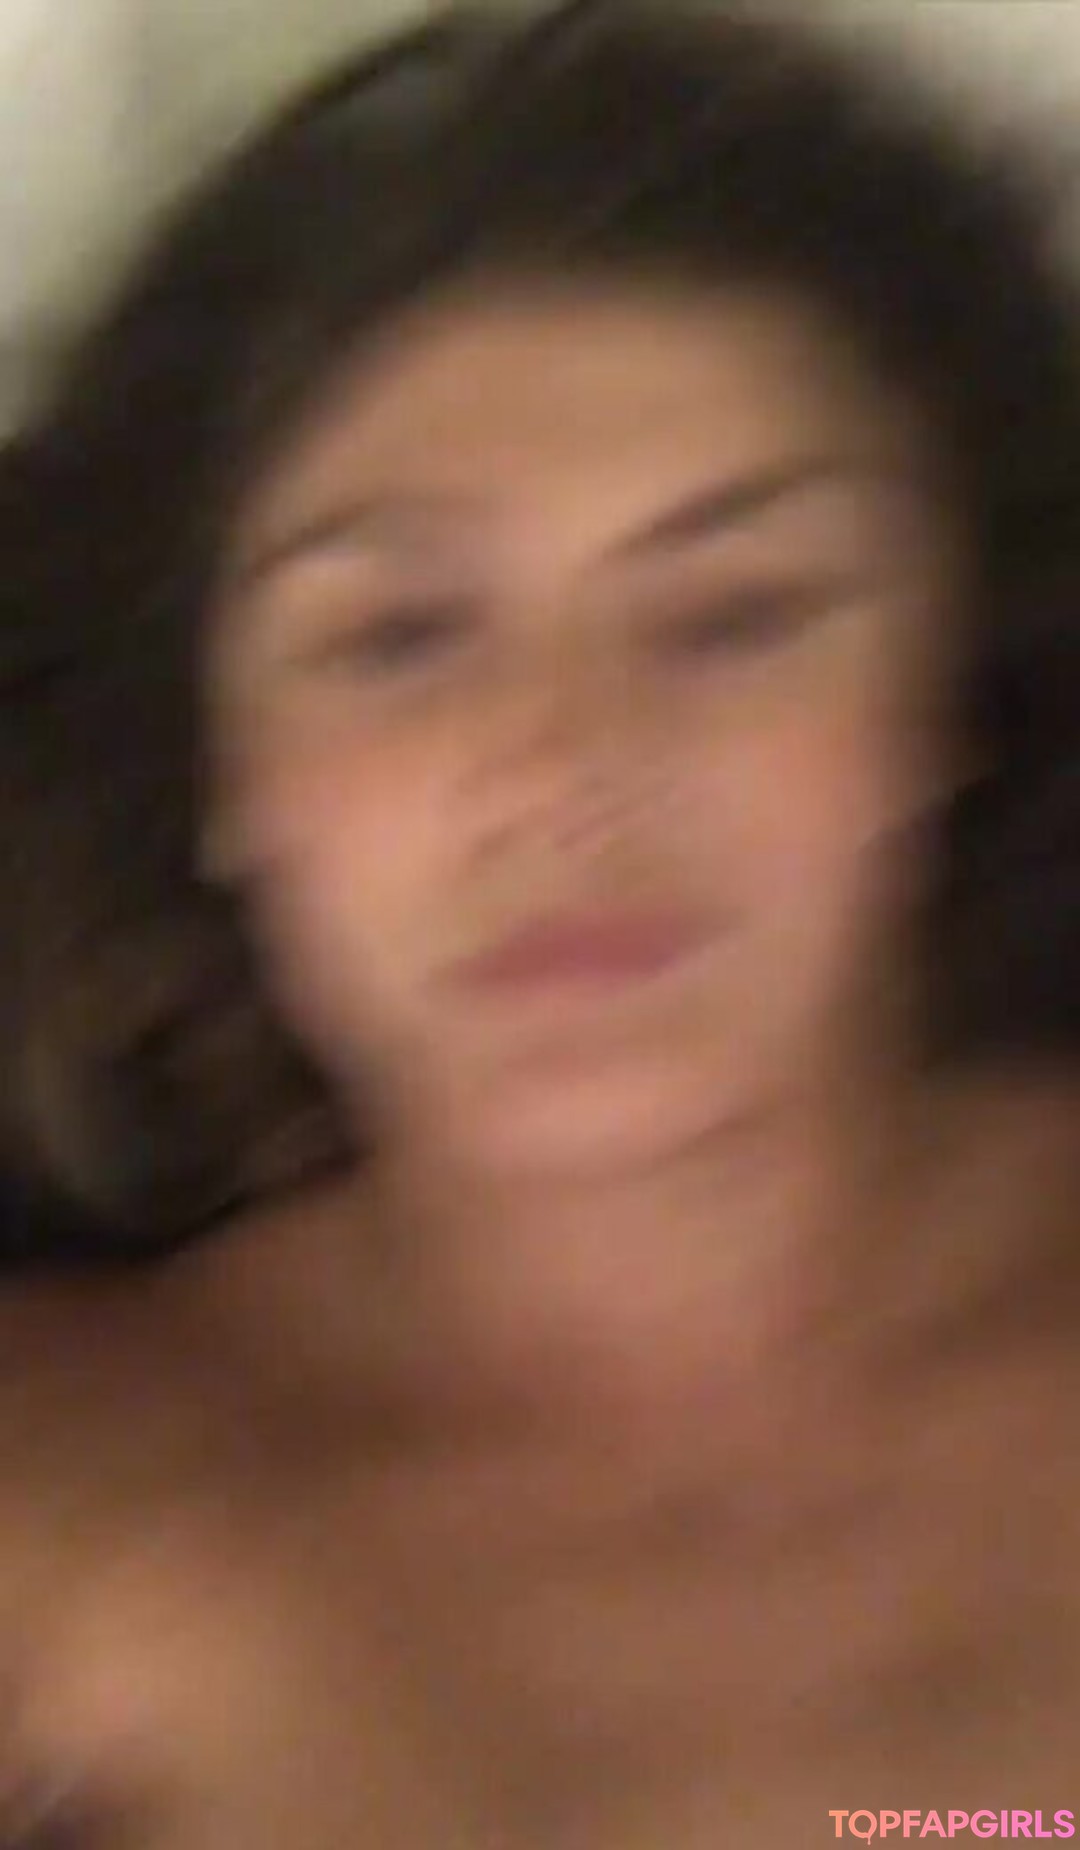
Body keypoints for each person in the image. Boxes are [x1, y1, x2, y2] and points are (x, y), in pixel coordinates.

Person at [1, 2, 1078, 1843]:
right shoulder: (67, 1485)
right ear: (220, 779)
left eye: (737, 613)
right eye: (397, 636)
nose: (568, 772)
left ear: (946, 704)